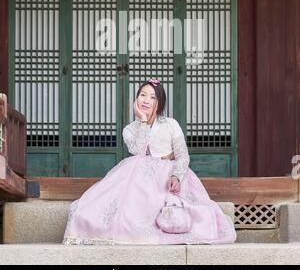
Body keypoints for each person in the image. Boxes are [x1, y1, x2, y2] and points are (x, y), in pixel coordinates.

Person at [63, 79, 236, 245]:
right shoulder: (129, 129)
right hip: (140, 175)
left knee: (200, 214)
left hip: (170, 175)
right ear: (136, 98)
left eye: (153, 97)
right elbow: (138, 152)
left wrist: (176, 176)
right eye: (142, 95)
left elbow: (183, 156)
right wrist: (143, 121)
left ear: (160, 103)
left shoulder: (171, 124)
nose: (146, 100)